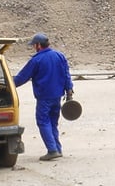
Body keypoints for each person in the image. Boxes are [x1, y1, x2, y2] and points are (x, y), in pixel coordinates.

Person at [12, 33, 74, 161]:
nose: (34, 48)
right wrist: (69, 91)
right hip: (57, 96)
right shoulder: (59, 56)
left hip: (44, 98)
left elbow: (22, 78)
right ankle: (57, 149)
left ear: (38, 45)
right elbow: (67, 74)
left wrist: (7, 84)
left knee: (43, 121)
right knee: (52, 123)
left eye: (34, 45)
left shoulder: (36, 60)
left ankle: (52, 150)